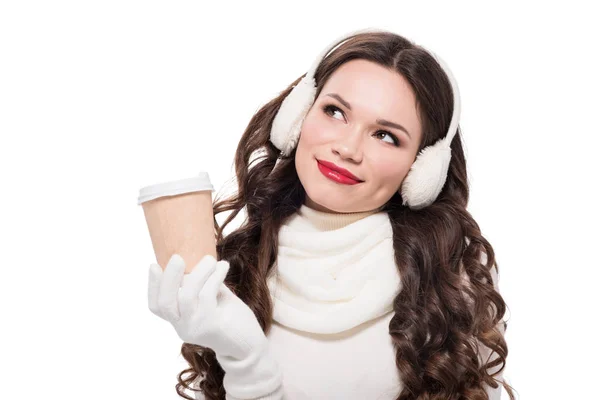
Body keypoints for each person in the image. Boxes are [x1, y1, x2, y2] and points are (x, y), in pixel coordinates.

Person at [148, 27, 516, 400]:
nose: (347, 147)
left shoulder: (453, 273)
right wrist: (243, 357)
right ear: (298, 115)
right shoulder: (243, 258)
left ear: (422, 170)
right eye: (335, 111)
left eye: (385, 135)